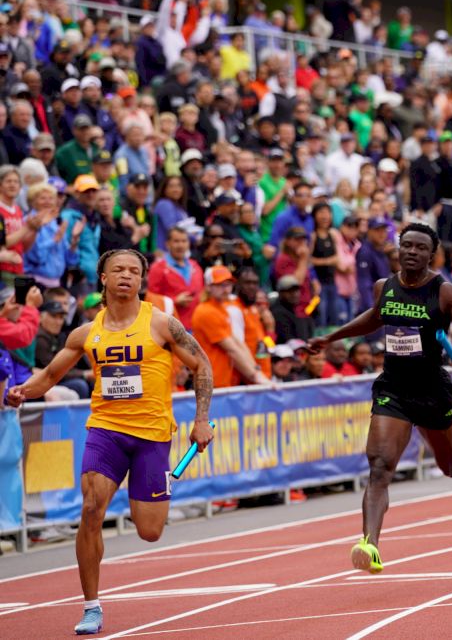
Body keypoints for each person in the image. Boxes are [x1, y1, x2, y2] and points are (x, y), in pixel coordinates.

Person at [5, 249, 214, 635]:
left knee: (149, 531)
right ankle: (91, 606)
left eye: (134, 271)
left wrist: (201, 420)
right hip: (105, 430)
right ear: (102, 277)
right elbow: (50, 376)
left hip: (152, 435)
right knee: (90, 508)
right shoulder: (86, 333)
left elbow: (202, 365)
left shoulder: (162, 324)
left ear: (141, 280)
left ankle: (160, 481)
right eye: (118, 269)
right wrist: (22, 392)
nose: (126, 276)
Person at [307, 222, 452, 574]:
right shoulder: (383, 287)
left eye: (420, 248)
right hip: (394, 389)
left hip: (433, 391)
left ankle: (436, 433)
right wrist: (331, 338)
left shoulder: (444, 292)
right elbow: (374, 318)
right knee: (379, 467)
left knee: (450, 469)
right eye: (407, 246)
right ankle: (369, 544)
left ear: (431, 254)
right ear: (398, 249)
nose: (412, 252)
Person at [191, 265, 270, 388]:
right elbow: (232, 349)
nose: (226, 289)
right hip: (212, 383)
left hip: (223, 381)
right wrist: (256, 376)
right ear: (208, 287)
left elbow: (238, 344)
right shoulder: (206, 311)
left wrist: (257, 372)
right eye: (220, 285)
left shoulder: (222, 309)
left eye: (228, 284)